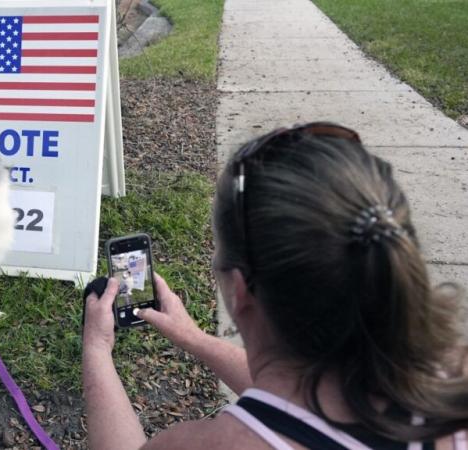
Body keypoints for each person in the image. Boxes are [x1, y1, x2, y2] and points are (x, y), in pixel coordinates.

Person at [82, 123, 468, 450]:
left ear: (239, 289)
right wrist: (193, 338)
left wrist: (97, 349)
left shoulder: (218, 443)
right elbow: (301, 403)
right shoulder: (455, 378)